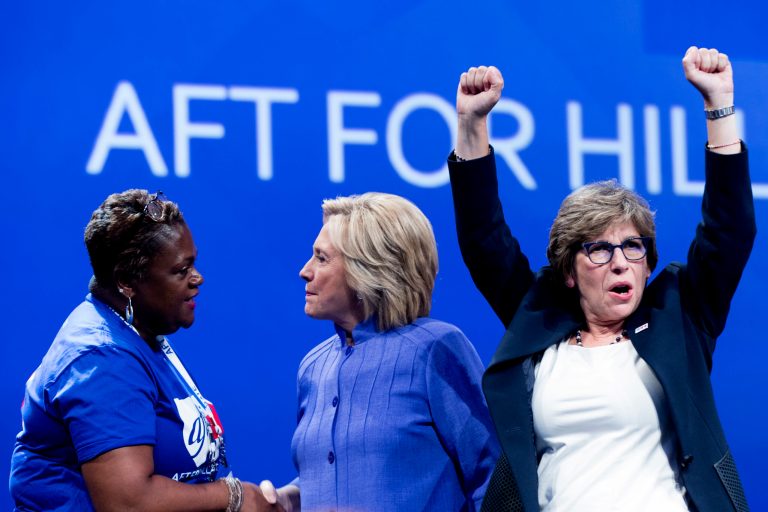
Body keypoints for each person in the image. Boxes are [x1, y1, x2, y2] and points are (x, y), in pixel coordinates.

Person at [447, 47, 755, 512]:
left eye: (633, 248)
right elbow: (483, 241)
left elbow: (729, 230)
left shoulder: (679, 318)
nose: (620, 263)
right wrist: (472, 125)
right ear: (568, 271)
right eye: (599, 249)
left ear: (648, 263)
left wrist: (720, 106)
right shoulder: (540, 323)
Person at [10, 190, 282, 512]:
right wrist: (233, 496)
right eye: (181, 271)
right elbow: (128, 503)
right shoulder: (102, 358)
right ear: (127, 281)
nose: (198, 279)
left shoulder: (137, 334)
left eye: (193, 263)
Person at [261, 192, 499, 511]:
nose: (305, 270)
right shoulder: (313, 367)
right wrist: (291, 498)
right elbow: (341, 472)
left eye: (321, 258)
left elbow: (493, 475)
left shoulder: (434, 349)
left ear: (367, 270)